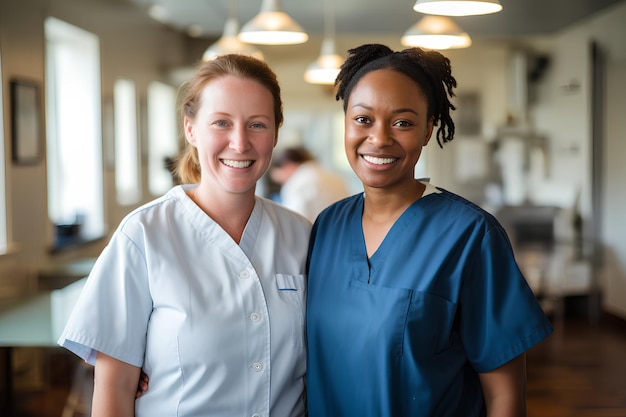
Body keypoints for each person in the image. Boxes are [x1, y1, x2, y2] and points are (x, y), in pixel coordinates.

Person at [305, 44, 553, 416]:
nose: (380, 138)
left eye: (403, 122)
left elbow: (504, 394)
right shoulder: (328, 226)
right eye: (363, 119)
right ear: (345, 122)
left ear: (427, 130)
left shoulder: (469, 235)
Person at [58, 54, 311, 417]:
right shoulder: (144, 235)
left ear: (275, 132)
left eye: (257, 125)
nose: (239, 143)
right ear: (191, 129)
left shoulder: (301, 235)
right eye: (221, 123)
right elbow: (113, 391)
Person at [269, 146, 351, 222]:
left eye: (281, 180)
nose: (283, 183)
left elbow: (295, 224)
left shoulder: (297, 183)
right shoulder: (332, 175)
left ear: (287, 165)